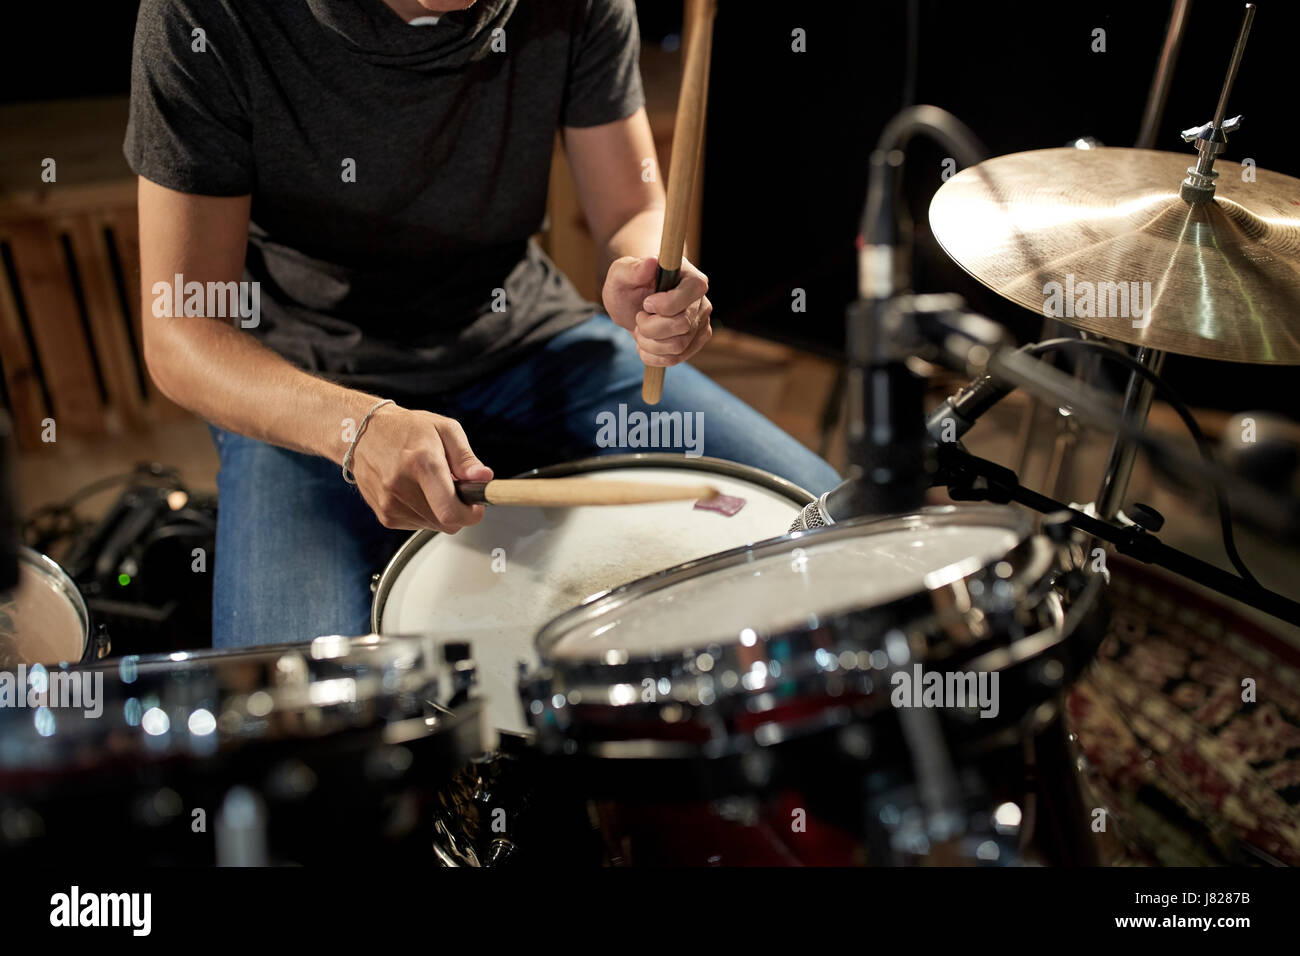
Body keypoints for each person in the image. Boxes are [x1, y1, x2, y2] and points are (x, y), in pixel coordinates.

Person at [126, 0, 840, 648]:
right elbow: (183, 333)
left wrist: (647, 276)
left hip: (531, 343)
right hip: (307, 388)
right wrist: (357, 428)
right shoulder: (204, 15)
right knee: (300, 730)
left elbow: (629, 212)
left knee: (835, 531)